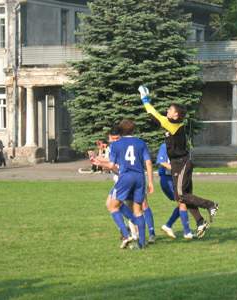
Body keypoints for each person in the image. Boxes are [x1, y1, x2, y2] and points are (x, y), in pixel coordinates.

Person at [139, 86, 218, 238]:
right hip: (179, 163)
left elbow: (153, 114)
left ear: (176, 115)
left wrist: (145, 99)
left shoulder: (173, 124)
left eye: (170, 109)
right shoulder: (173, 123)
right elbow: (157, 116)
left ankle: (211, 205)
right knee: (184, 195)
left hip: (181, 163)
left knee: (181, 196)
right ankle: (200, 221)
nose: (167, 110)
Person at [93, 119, 154, 249]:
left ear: (121, 131)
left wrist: (99, 163)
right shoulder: (141, 143)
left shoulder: (116, 145)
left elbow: (111, 165)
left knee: (112, 206)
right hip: (139, 177)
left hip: (126, 177)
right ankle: (142, 243)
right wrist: (150, 182)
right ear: (133, 130)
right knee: (138, 210)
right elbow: (148, 163)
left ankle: (126, 235)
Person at [157, 143, 209, 239]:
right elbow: (162, 162)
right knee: (183, 201)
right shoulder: (165, 146)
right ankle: (186, 232)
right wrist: (177, 169)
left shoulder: (181, 146)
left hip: (177, 178)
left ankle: (168, 226)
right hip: (167, 179)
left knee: (183, 202)